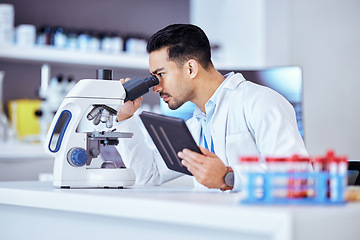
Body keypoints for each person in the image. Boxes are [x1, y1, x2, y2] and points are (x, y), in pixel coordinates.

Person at [115, 24, 308, 191]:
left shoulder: (260, 101)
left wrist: (229, 178)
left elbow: (299, 176)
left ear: (191, 68)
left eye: (160, 75)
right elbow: (148, 175)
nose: (155, 88)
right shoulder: (196, 124)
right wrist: (126, 118)